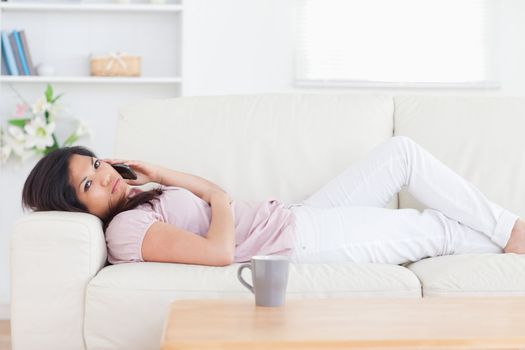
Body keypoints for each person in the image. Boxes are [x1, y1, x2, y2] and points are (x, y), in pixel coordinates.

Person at [21, 136, 525, 267]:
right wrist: (218, 195)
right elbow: (220, 253)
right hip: (295, 246)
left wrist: (157, 173)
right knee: (436, 229)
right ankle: (512, 238)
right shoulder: (123, 232)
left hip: (293, 217)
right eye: (87, 186)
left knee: (401, 155)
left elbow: (209, 203)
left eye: (95, 166)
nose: (103, 177)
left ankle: (507, 230)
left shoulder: (137, 199)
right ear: (76, 210)